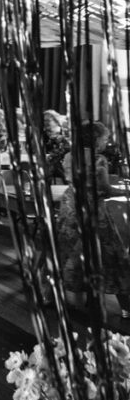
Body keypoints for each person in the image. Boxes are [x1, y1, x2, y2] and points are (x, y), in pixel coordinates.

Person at [57, 121, 130, 315]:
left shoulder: (70, 156)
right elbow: (104, 189)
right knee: (111, 253)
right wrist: (125, 190)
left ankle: (60, 297)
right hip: (91, 210)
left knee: (70, 249)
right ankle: (126, 307)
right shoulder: (98, 160)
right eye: (105, 138)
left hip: (70, 204)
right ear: (96, 139)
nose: (107, 142)